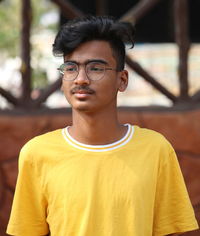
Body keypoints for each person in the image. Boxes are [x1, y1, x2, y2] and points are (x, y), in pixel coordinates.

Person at [7, 15, 199, 236]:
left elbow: (175, 232)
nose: (80, 79)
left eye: (96, 68)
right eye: (70, 68)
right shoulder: (37, 153)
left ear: (122, 80)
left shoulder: (155, 149)